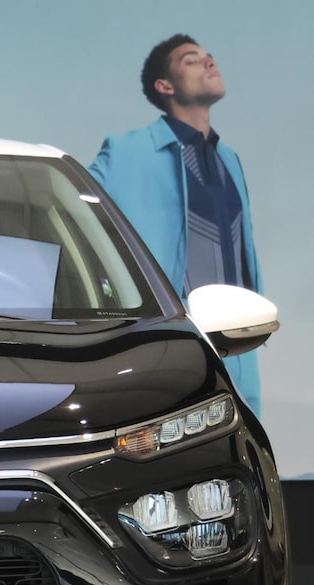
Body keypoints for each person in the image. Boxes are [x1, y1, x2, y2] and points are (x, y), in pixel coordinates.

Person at [89, 34, 264, 415]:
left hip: (239, 347)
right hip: (171, 345)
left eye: (209, 55)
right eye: (191, 59)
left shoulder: (229, 159)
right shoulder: (127, 152)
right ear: (164, 86)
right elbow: (75, 218)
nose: (209, 62)